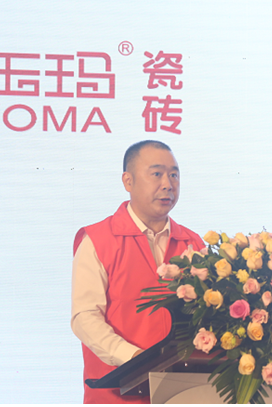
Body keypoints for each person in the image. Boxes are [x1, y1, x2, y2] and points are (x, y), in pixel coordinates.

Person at [71, 140, 205, 404]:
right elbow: (85, 318)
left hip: (183, 393)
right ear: (128, 181)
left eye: (174, 175)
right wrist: (134, 359)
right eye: (156, 174)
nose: (168, 184)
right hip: (116, 394)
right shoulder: (98, 239)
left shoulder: (193, 245)